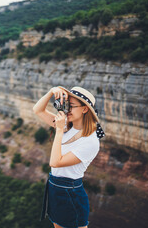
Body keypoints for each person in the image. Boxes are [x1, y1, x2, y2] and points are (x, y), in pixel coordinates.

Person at [33, 86, 105, 228]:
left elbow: (55, 162)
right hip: (55, 187)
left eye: (71, 106)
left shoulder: (90, 141)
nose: (67, 110)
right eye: (66, 105)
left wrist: (59, 130)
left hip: (70, 192)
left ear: (85, 109)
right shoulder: (68, 126)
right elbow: (38, 110)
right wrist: (51, 92)